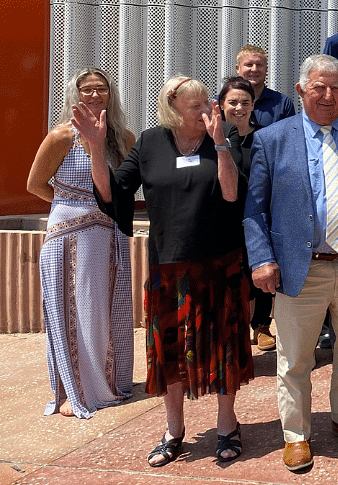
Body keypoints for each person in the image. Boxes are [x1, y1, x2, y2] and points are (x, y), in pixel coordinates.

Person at [74, 75, 252, 465]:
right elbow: (111, 194)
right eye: (197, 105)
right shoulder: (151, 143)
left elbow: (231, 192)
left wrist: (220, 142)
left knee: (222, 347)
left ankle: (227, 424)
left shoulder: (226, 138)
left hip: (219, 261)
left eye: (209, 101)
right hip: (167, 266)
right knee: (168, 349)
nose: (208, 109)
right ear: (173, 108)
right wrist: (95, 146)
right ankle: (174, 429)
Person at [243, 55, 338, 472]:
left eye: (336, 88)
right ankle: (296, 435)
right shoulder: (272, 138)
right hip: (297, 267)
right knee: (294, 358)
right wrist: (262, 258)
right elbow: (255, 209)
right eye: (319, 88)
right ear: (301, 90)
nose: (328, 96)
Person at [27, 68, 135, 419]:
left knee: (106, 310)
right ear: (75, 95)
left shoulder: (124, 139)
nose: (93, 95)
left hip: (109, 235)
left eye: (100, 89)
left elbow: (128, 188)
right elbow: (35, 184)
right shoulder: (61, 136)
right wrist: (71, 205)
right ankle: (71, 389)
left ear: (110, 95)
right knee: (68, 311)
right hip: (67, 236)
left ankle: (108, 383)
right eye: (86, 90)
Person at [218, 76, 276, 352]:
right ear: (220, 105)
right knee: (233, 276)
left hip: (258, 216)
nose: (239, 107)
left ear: (254, 105)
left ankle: (262, 325)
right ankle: (236, 327)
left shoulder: (265, 137)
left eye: (245, 102)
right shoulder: (214, 138)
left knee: (262, 269)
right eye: (233, 102)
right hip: (224, 217)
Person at [234, 44, 296, 128]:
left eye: (259, 65)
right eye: (249, 65)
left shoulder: (283, 104)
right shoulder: (222, 102)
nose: (254, 69)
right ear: (238, 68)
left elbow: (289, 137)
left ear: (266, 69)